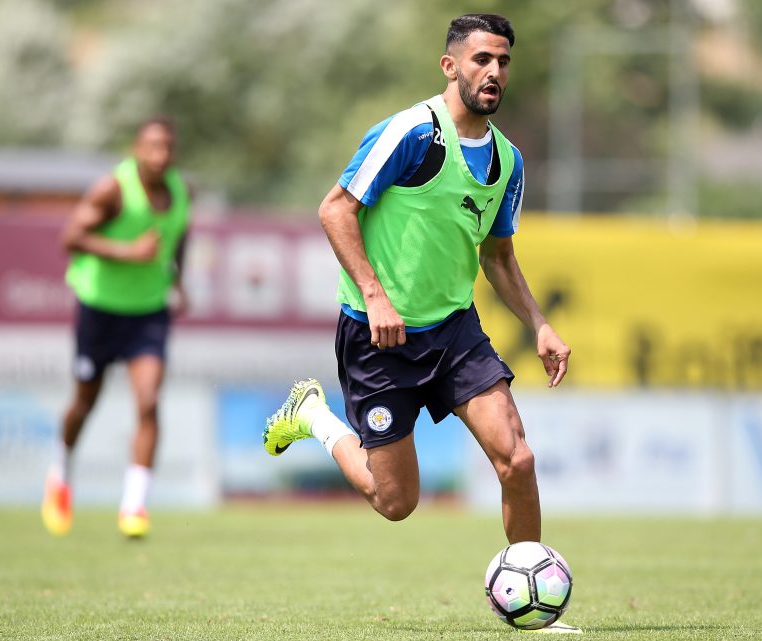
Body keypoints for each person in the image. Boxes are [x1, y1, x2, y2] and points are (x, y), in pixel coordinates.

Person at [263, 14, 578, 633]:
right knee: (396, 502)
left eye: (503, 62)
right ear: (450, 65)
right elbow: (335, 210)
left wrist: (539, 324)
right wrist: (377, 297)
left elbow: (498, 256)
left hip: (454, 332)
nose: (494, 72)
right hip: (377, 339)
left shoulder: (508, 161)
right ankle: (314, 418)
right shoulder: (412, 133)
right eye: (482, 59)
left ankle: (536, 613)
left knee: (517, 461)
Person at [41, 116, 191, 539]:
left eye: (168, 148)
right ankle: (60, 474)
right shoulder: (112, 189)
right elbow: (70, 237)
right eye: (152, 147)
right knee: (85, 400)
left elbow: (181, 235)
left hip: (148, 311)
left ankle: (133, 506)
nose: (161, 156)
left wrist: (178, 281)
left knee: (148, 400)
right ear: (136, 150)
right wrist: (127, 251)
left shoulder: (181, 191)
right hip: (100, 309)